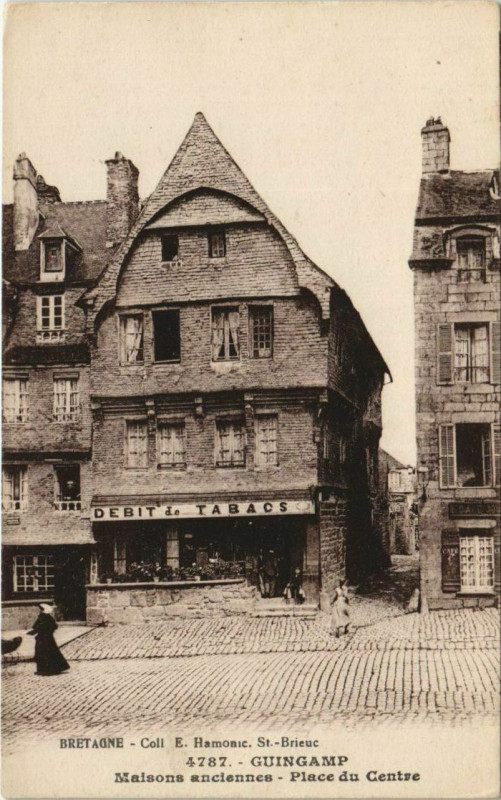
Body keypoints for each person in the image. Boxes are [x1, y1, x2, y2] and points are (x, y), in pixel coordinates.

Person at [27, 603, 70, 676]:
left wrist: (36, 632)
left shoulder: (44, 617)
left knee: (43, 653)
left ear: (43, 610)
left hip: (44, 639)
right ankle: (44, 670)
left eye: (40, 609)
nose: (39, 611)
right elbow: (53, 626)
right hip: (46, 638)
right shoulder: (45, 617)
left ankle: (46, 670)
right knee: (48, 652)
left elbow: (40, 627)